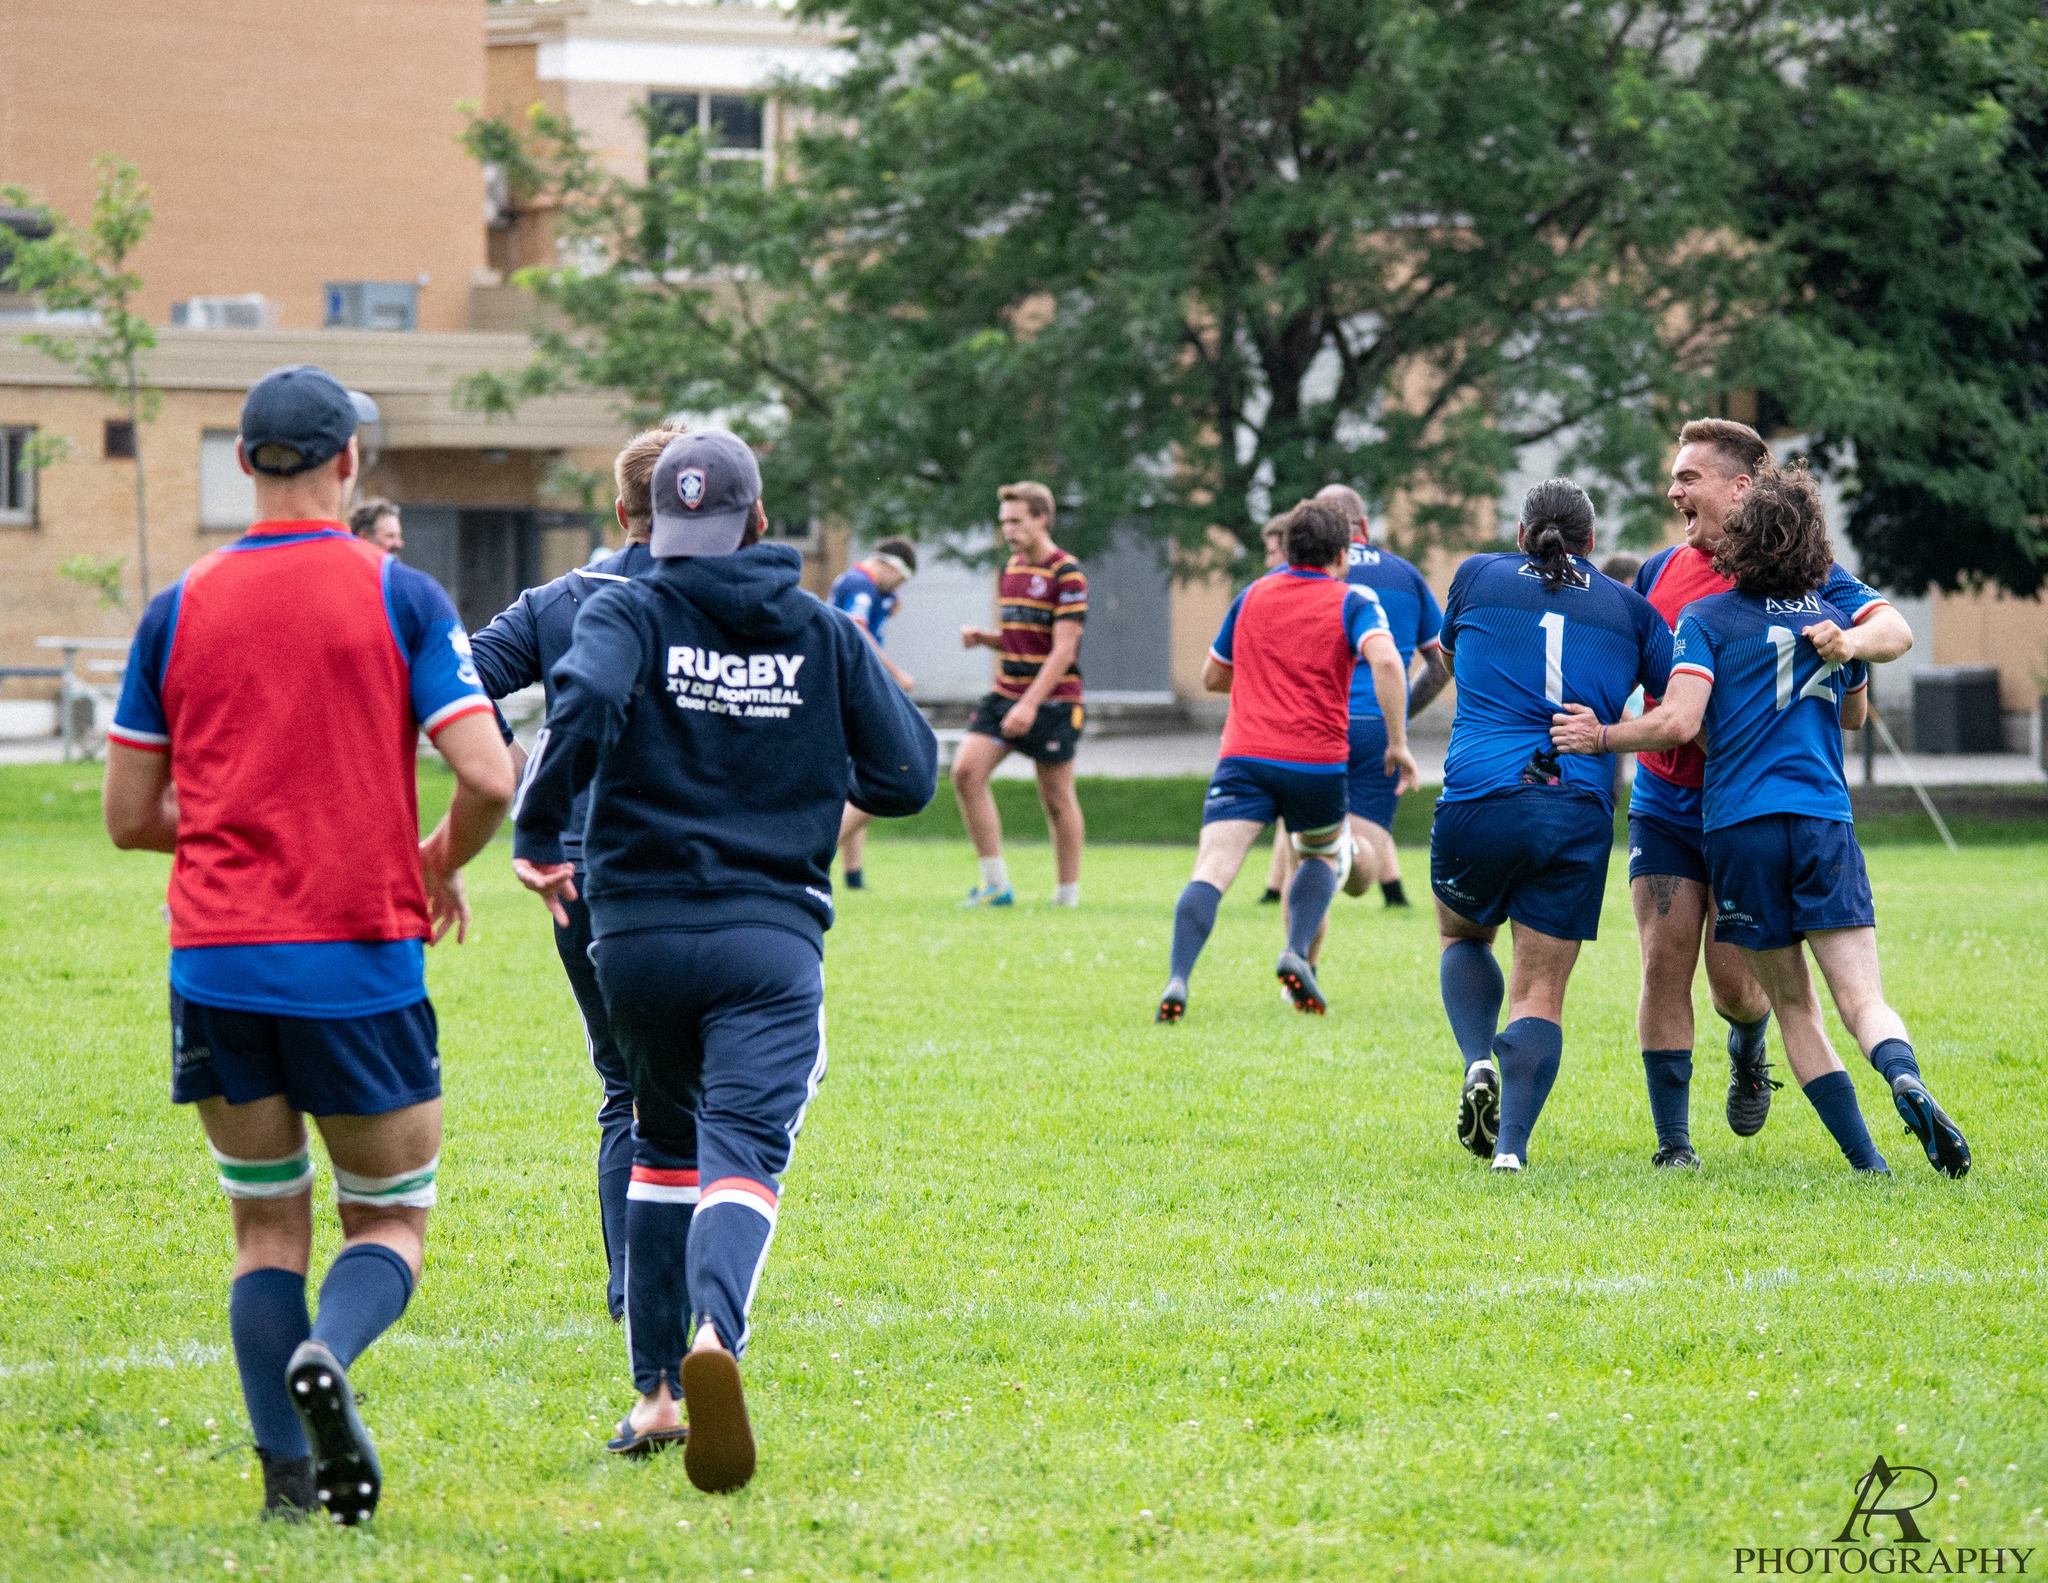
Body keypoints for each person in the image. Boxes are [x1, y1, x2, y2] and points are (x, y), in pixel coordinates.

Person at [102, 364, 514, 1523]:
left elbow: (133, 815)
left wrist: (247, 814)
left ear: (242, 464)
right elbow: (490, 774)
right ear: (350, 462)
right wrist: (432, 860)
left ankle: (289, 1485)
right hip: (357, 958)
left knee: (263, 1220)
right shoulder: (401, 594)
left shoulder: (176, 605)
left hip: (217, 964)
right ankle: (331, 1350)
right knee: (387, 1217)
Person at [511, 429, 937, 1493]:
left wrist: (539, 821)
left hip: (636, 937)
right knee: (741, 1143)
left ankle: (656, 1394)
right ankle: (716, 1333)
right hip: (765, 934)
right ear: (758, 518)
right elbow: (907, 775)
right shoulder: (823, 629)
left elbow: (591, 699)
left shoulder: (623, 605)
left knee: (658, 1139)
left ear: (653, 524)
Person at [1552, 463, 1968, 1177]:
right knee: (1860, 996)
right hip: (1821, 820)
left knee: (1792, 1005)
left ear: (1737, 546)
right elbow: (1854, 715)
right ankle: (1901, 1074)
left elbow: (1681, 720)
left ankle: (1869, 1161)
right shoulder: (1830, 620)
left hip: (1739, 827)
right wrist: (1840, 662)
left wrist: (1603, 736)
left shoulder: (1706, 619)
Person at [1623, 419, 1914, 1168]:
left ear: (1740, 486)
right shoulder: (1661, 572)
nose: (1674, 490)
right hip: (1669, 801)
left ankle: (1749, 1046)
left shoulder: (1802, 573)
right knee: (1663, 957)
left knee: (1737, 989)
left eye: (1689, 476)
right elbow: (1636, 672)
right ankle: (1674, 1142)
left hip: (1746, 806)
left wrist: (1847, 655)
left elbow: (1873, 641)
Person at [467, 422, 676, 1322]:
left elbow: (456, 673)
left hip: (580, 868)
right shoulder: (731, 600)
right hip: (700, 872)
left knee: (627, 1085)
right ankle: (698, 1288)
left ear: (623, 509)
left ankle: (635, 1291)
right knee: (725, 1087)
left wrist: (514, 764)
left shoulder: (563, 599)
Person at [1431, 479, 1672, 1174]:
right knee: (1541, 987)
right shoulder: (1632, 609)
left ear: (1520, 532)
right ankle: (1510, 1147)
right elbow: (1679, 710)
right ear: (1593, 542)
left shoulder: (1476, 575)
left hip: (1478, 793)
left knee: (1462, 931)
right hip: (1575, 803)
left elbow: (1453, 658)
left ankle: (1479, 1058)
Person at [1156, 497, 1418, 1022]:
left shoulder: (1251, 595)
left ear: (1289, 548)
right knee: (1321, 856)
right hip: (1315, 762)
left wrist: (1261, 677)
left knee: (1212, 869)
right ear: (1341, 554)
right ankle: (1296, 950)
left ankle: (1178, 979)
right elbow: (1387, 661)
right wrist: (1397, 743)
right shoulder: (1353, 599)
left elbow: (1212, 676)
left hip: (1245, 756)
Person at [954, 482, 1087, 907]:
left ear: (1041, 519)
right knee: (966, 773)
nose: (1008, 530)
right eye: (1004, 522)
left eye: (1016, 520)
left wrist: (1029, 704)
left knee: (1056, 799)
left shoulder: (1068, 573)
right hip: (1005, 692)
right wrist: (988, 639)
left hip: (1053, 701)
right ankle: (995, 885)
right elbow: (1023, 638)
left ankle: (1066, 896)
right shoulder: (1010, 569)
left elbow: (1063, 649)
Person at [1320, 483, 1451, 910]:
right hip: (1378, 727)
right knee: (1363, 871)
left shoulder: (1303, 575)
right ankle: (1344, 853)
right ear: (1365, 526)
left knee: (1304, 835)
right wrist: (1397, 712)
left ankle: (1315, 849)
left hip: (1314, 723)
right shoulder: (1404, 574)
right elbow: (1442, 664)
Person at [828, 535, 919, 890]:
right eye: (901, 579)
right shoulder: (860, 585)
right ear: (891, 567)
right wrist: (895, 674)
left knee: (855, 779)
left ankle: (854, 875)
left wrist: (892, 597)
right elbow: (857, 630)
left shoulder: (867, 586)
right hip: (852, 686)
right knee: (885, 772)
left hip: (847, 684)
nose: (899, 588)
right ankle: (816, 854)